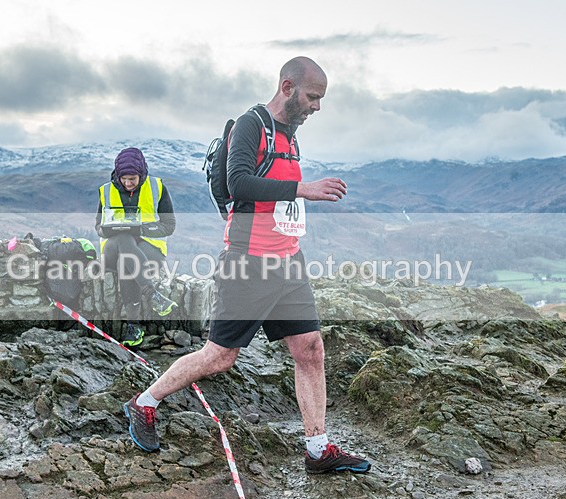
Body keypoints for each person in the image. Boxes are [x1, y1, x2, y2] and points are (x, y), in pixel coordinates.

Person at [124, 57, 371, 474]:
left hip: (288, 261)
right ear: (288, 86)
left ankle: (317, 448)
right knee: (220, 356)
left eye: (321, 100)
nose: (316, 107)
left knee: (309, 349)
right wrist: (303, 189)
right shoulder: (251, 124)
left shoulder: (290, 136)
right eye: (313, 97)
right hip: (247, 262)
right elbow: (239, 183)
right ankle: (143, 403)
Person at [96, 147, 178, 346]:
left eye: (132, 178)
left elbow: (169, 226)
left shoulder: (157, 187)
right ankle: (151, 295)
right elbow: (98, 227)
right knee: (124, 240)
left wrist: (141, 230)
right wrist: (110, 230)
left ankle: (133, 327)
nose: (128, 183)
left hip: (148, 247)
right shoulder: (106, 190)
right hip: (112, 251)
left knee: (128, 260)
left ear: (141, 174)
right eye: (124, 179)